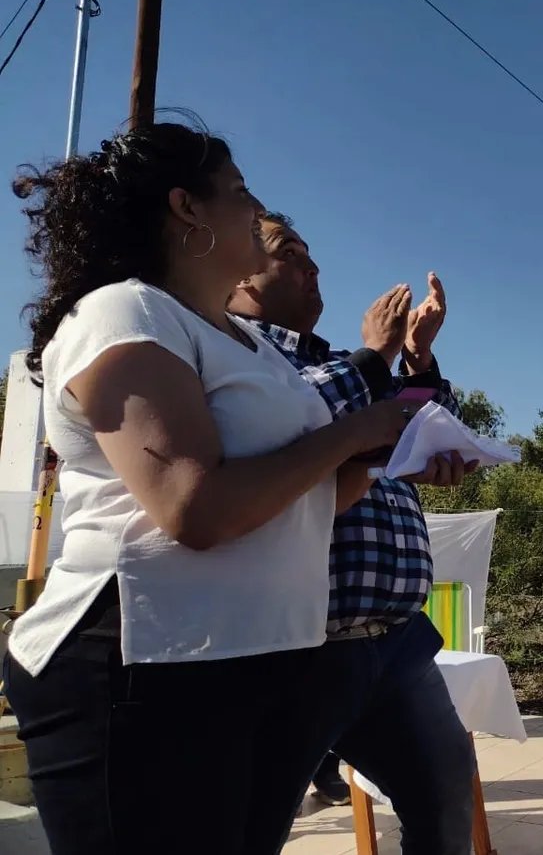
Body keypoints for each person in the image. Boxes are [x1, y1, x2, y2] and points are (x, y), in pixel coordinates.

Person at [0, 123, 412, 855]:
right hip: (137, 669)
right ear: (187, 208)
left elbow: (305, 501)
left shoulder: (246, 342)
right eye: (242, 192)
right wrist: (354, 432)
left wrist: (390, 455)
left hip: (246, 660)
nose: (257, 211)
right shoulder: (124, 310)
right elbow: (192, 507)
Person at [227, 212, 478, 853]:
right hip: (297, 650)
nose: (313, 269)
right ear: (235, 272)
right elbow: (297, 425)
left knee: (444, 806)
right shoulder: (238, 357)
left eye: (313, 255)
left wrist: (417, 361)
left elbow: (411, 426)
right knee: (249, 828)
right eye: (290, 253)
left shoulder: (342, 367)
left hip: (395, 644)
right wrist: (379, 356)